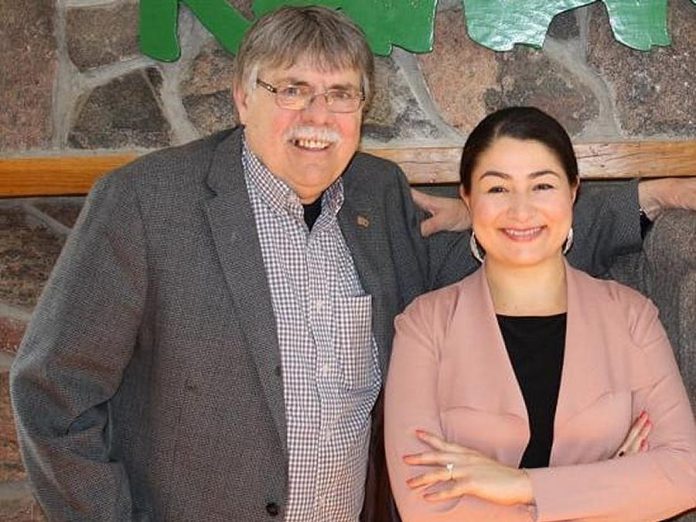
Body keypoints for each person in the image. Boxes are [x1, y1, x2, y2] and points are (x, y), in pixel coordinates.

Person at [8, 5, 694, 522]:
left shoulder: (377, 194)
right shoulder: (145, 202)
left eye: (341, 93)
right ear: (243, 97)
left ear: (363, 108)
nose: (319, 113)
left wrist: (649, 195)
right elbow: (53, 392)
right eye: (292, 89)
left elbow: (510, 237)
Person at [384, 107, 696, 521]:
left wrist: (519, 486)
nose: (521, 211)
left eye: (542, 186)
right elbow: (425, 504)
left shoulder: (631, 316)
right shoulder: (425, 326)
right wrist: (614, 487)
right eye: (497, 189)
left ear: (573, 191)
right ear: (467, 197)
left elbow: (683, 472)